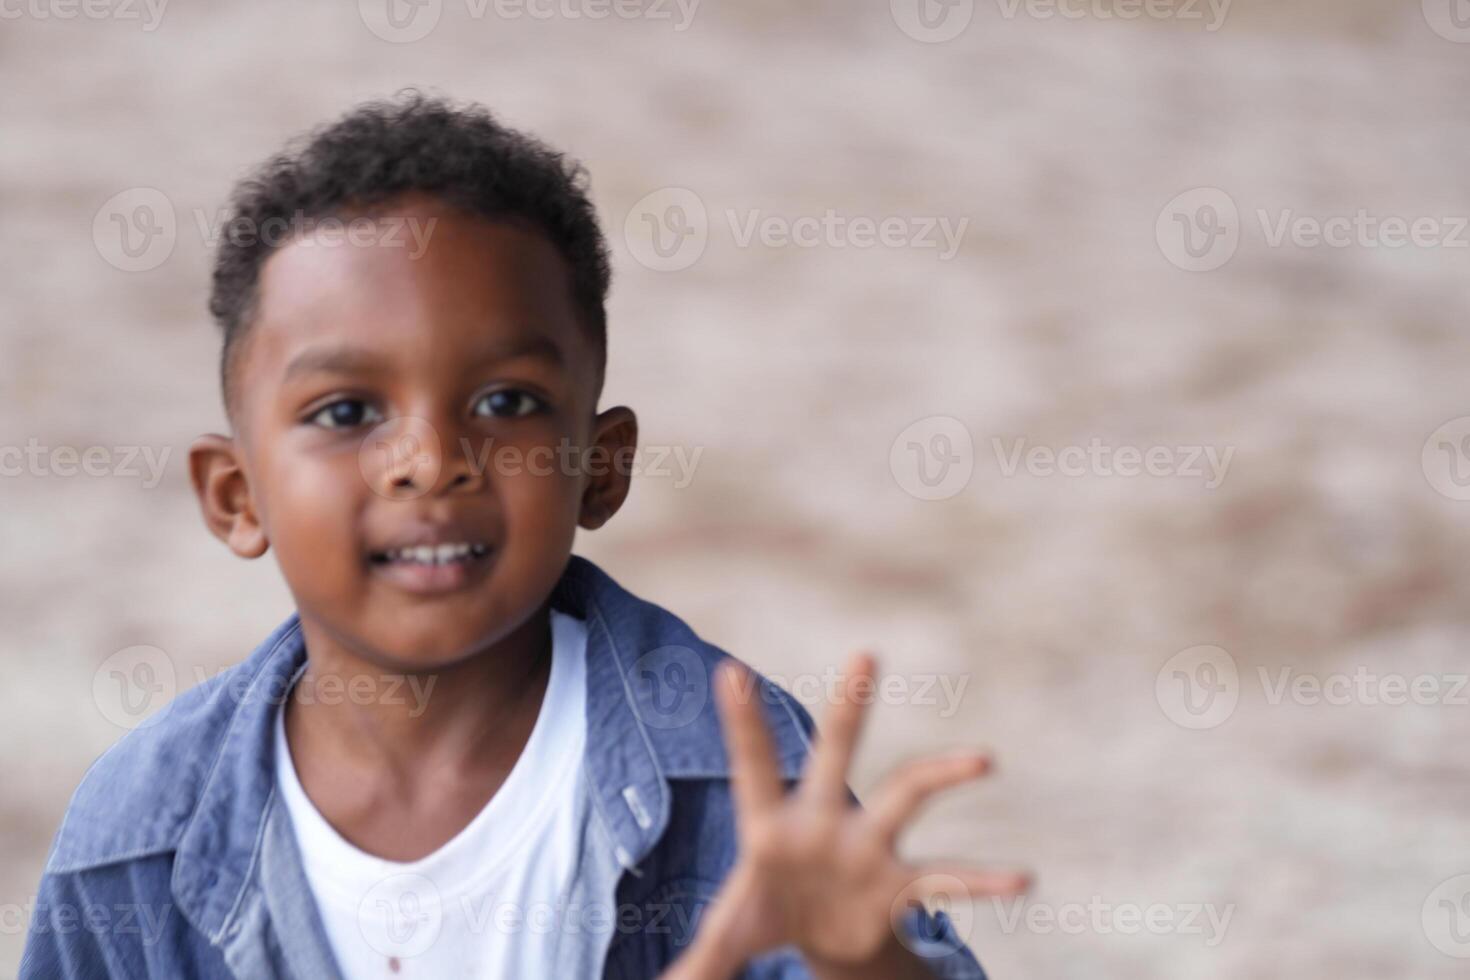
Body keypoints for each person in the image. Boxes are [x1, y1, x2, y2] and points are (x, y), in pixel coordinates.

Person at [21, 92, 1027, 979]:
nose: (431, 457)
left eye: (506, 399)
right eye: (345, 411)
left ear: (602, 464)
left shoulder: (736, 774)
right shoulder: (136, 841)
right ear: (237, 495)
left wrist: (862, 961)